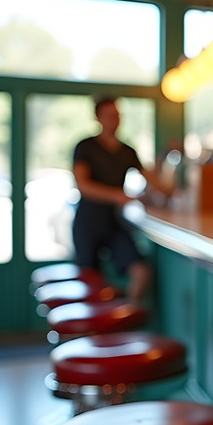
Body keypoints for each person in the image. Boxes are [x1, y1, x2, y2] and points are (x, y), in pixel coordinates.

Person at [72, 96, 171, 301]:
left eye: (117, 115)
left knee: (141, 271)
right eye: (109, 115)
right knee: (89, 283)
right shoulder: (85, 147)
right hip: (87, 222)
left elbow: (153, 180)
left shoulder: (127, 151)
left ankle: (124, 318)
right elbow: (82, 185)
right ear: (98, 118)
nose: (114, 120)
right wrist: (117, 195)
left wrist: (173, 191)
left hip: (114, 222)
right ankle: (95, 329)